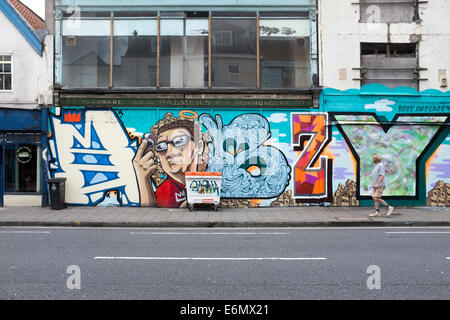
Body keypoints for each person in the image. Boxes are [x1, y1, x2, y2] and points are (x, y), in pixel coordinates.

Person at [133, 116, 207, 208]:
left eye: (180, 141)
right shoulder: (163, 194)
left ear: (199, 147)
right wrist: (143, 181)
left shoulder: (208, 179)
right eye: (161, 146)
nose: (169, 153)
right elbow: (149, 213)